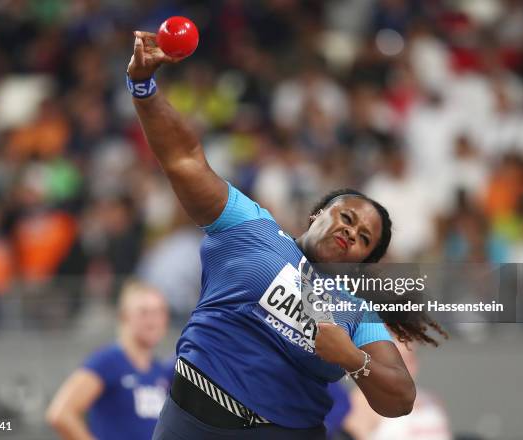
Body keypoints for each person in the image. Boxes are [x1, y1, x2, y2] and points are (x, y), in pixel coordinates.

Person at [126, 31, 446, 440]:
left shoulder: (356, 312)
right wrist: (143, 87)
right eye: (346, 217)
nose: (351, 231)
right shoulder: (251, 226)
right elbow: (184, 159)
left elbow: (400, 399)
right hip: (190, 421)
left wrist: (351, 357)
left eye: (364, 237)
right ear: (316, 214)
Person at [46, 281, 172, 440]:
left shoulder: (160, 370)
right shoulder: (108, 361)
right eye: (143, 312)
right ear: (124, 317)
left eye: (159, 312)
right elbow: (60, 414)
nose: (153, 321)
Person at [344, 341, 452, 440]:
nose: (405, 366)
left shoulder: (431, 400)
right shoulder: (364, 401)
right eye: (398, 359)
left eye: (410, 358)